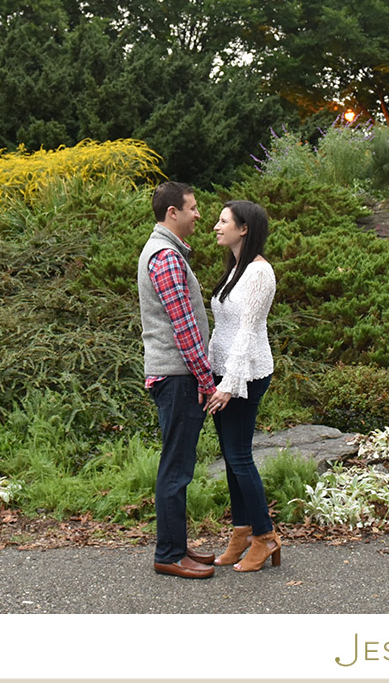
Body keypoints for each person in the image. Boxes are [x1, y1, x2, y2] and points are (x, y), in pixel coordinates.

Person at [138, 181, 221, 579]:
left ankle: (176, 545)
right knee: (176, 468)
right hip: (178, 377)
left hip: (175, 376)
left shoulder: (165, 251)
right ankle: (169, 554)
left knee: (178, 464)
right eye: (193, 208)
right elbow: (184, 327)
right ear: (172, 212)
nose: (198, 215)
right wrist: (206, 379)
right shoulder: (166, 256)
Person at [204, 199, 281, 571]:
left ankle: (265, 537)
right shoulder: (236, 268)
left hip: (246, 375)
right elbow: (223, 330)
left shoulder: (260, 273)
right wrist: (209, 374)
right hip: (222, 373)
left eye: (223, 221)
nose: (216, 227)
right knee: (231, 456)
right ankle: (241, 532)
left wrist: (229, 385)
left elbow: (248, 333)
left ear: (244, 228)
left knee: (239, 456)